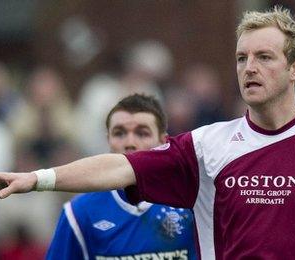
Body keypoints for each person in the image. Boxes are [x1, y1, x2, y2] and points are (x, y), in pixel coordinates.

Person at [0, 6, 295, 259]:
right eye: (242, 58)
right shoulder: (207, 145)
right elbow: (119, 166)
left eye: (264, 57)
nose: (249, 68)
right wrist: (38, 178)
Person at [46, 94, 197, 260]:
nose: (129, 142)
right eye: (119, 133)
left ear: (163, 142)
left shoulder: (191, 204)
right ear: (108, 140)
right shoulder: (79, 212)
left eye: (142, 133)